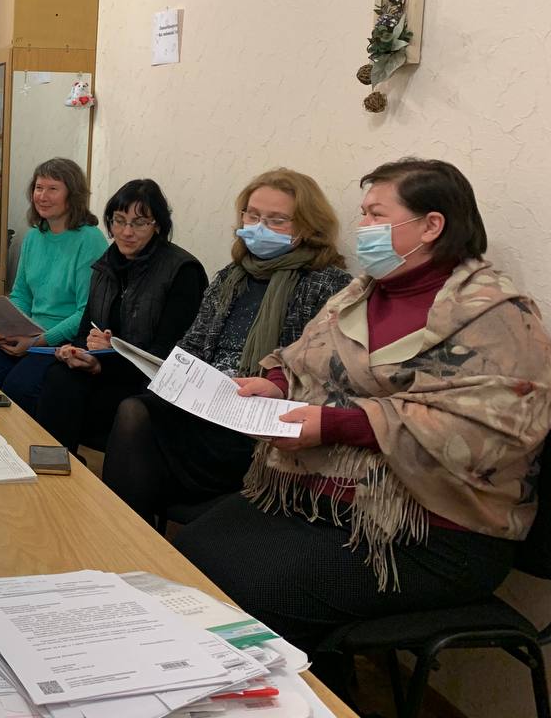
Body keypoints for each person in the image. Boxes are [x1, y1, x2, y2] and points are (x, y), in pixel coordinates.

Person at [175, 159, 551, 659]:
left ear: (431, 225)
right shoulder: (362, 293)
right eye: (364, 213)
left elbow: (491, 428)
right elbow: (301, 358)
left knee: (258, 592)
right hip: (324, 498)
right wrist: (275, 383)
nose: (363, 226)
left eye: (376, 214)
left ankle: (303, 692)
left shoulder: (497, 313)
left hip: (434, 531)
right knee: (191, 553)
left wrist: (336, 424)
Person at [102, 168, 351, 528]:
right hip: (206, 406)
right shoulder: (231, 276)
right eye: (253, 215)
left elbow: (319, 374)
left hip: (255, 424)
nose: (260, 227)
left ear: (307, 226)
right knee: (135, 411)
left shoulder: (328, 285)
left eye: (276, 220)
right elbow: (192, 346)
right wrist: (179, 377)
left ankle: (131, 537)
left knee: (141, 436)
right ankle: (128, 536)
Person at [33, 179, 206, 454]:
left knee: (73, 392)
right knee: (58, 376)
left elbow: (168, 355)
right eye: (119, 221)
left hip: (147, 382)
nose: (126, 232)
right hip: (106, 370)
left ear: (157, 225)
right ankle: (55, 465)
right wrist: (76, 352)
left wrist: (108, 358)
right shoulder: (106, 264)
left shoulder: (181, 271)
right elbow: (85, 330)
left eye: (139, 223)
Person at [0, 158, 108, 410]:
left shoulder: (90, 240)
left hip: (63, 343)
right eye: (38, 188)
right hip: (29, 335)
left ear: (72, 195)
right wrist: (7, 327)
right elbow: (21, 294)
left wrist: (39, 341)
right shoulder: (34, 236)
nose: (42, 196)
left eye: (52, 189)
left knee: (19, 386)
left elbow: (86, 312)